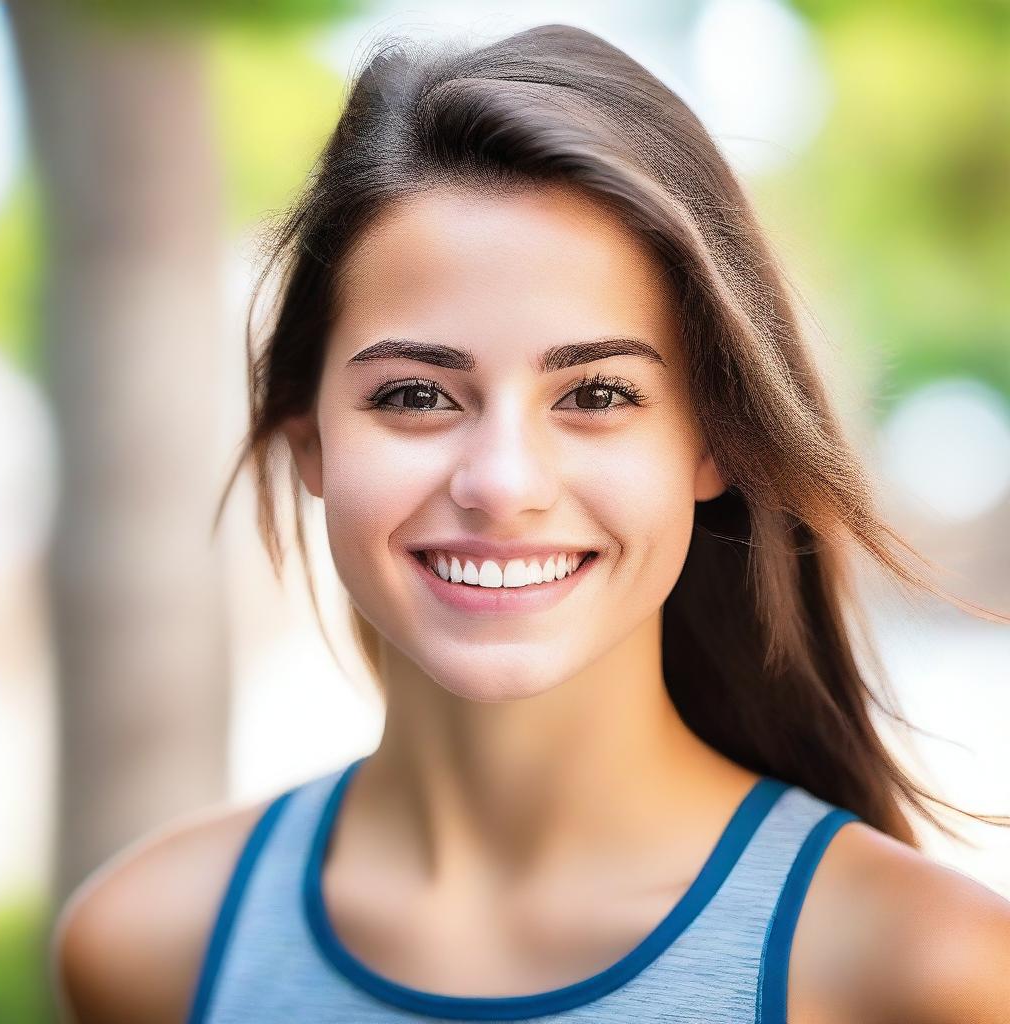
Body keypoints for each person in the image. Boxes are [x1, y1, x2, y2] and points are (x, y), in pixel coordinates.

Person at [52, 23, 1010, 1024]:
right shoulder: (152, 944)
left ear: (710, 445)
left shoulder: (920, 971)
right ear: (311, 443)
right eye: (417, 396)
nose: (502, 483)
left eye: (596, 394)